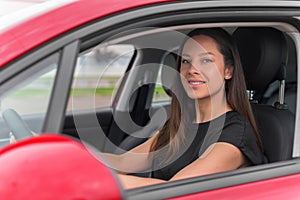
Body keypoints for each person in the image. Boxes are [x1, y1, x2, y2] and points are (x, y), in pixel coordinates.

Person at [101, 28, 266, 189]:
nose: (192, 70)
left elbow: (176, 189)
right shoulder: (180, 123)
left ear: (228, 71)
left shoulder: (235, 135)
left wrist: (98, 181)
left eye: (206, 60)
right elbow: (124, 162)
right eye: (186, 61)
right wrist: (82, 161)